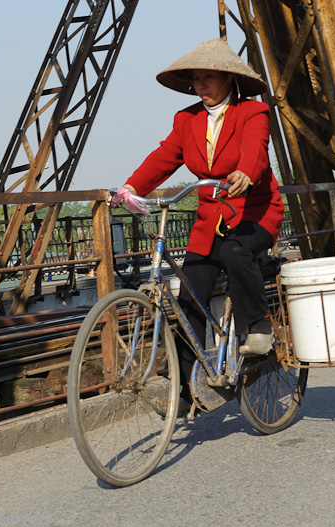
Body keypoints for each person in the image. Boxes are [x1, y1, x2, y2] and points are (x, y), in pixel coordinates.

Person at [109, 38, 284, 408]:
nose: (200, 85)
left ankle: (259, 328)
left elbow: (256, 150)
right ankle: (189, 392)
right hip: (210, 221)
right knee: (189, 297)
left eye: (208, 77)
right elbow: (164, 157)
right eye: (195, 79)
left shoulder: (252, 113)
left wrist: (247, 173)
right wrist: (130, 187)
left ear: (227, 79)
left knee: (237, 254)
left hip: (253, 212)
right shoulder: (186, 120)